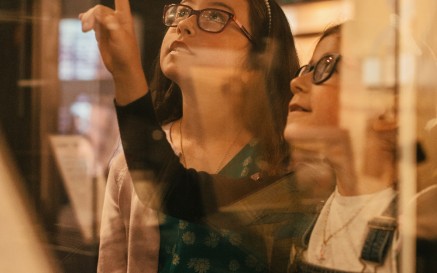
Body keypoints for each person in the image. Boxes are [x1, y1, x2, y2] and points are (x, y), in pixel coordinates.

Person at [79, 0, 299, 272]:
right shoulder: (129, 161)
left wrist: (127, 74)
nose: (184, 24)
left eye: (216, 16)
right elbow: (113, 264)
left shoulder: (281, 160)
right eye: (182, 11)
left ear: (259, 59)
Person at [284, 24, 399, 273]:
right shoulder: (307, 216)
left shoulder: (416, 229)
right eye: (309, 68)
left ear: (389, 110)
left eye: (326, 65)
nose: (296, 82)